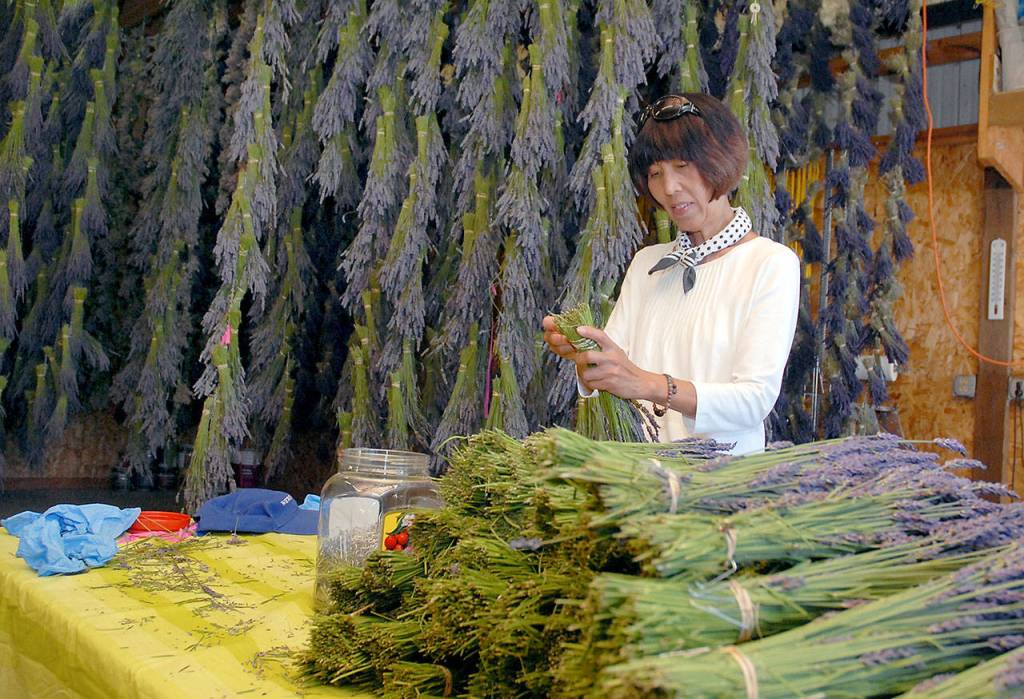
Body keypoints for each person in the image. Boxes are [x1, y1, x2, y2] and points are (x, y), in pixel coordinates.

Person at [542, 93, 800, 455]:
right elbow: (617, 376)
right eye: (655, 174)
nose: (669, 188)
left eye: (682, 166)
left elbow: (753, 400)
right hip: (642, 481)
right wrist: (584, 353)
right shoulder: (648, 264)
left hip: (721, 490)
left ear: (720, 161)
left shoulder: (769, 263)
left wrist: (649, 384)